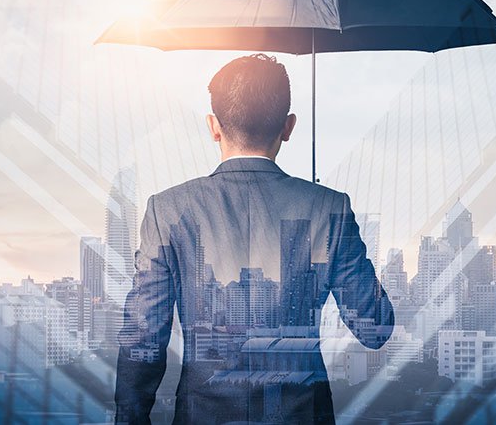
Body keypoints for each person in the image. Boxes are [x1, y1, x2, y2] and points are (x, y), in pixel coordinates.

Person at [115, 54, 393, 424]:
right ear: (289, 126)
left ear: (213, 127)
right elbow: (375, 328)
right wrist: (330, 227)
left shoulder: (167, 209)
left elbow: (143, 338)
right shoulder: (329, 208)